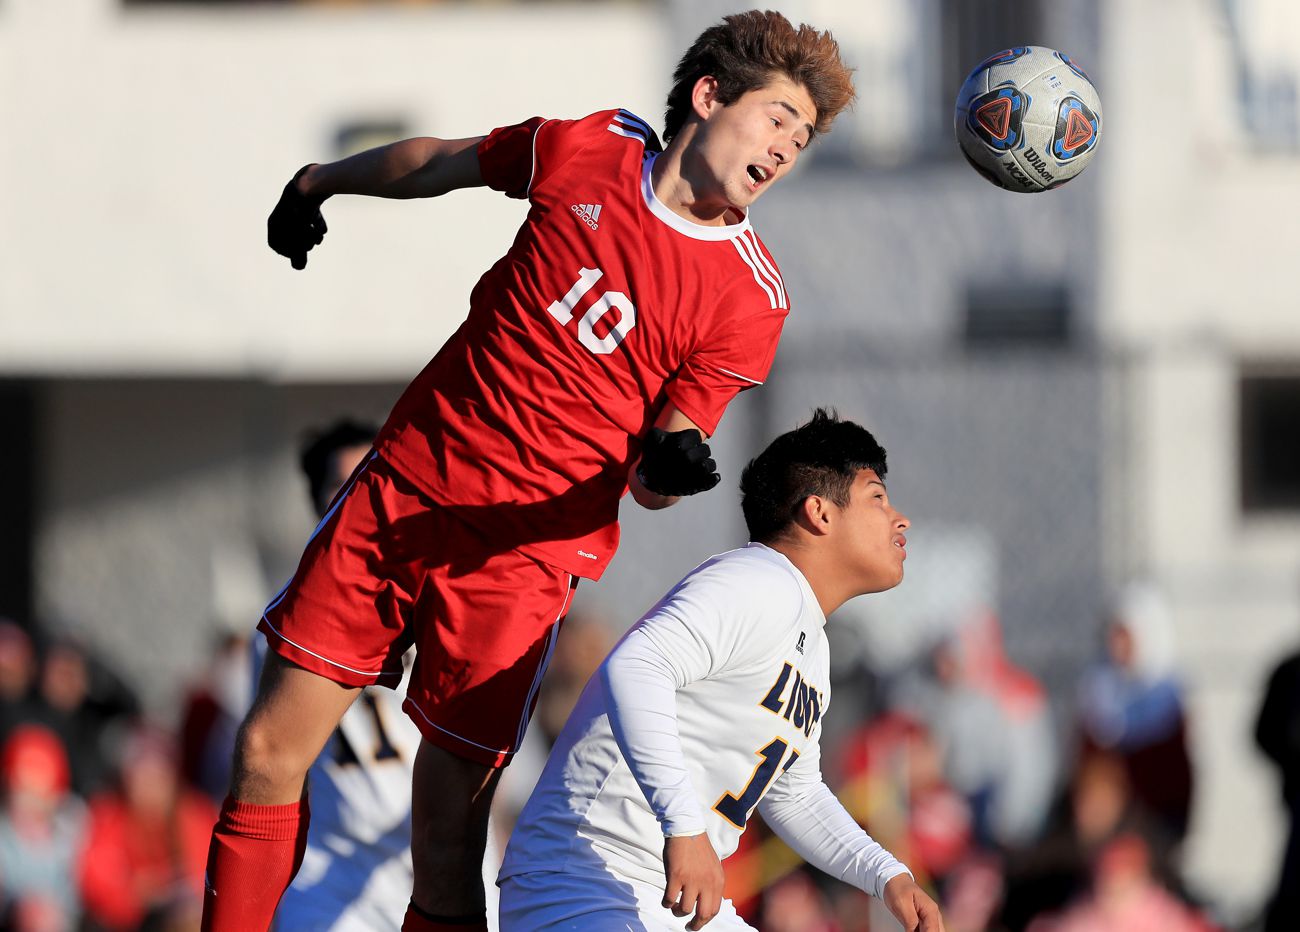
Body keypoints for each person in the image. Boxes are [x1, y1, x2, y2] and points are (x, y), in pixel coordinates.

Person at [202, 13, 856, 930]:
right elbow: (439, 160)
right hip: (406, 490)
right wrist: (321, 182)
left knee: (446, 841)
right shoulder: (592, 148)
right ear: (709, 97)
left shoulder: (751, 295)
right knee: (268, 751)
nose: (789, 146)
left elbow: (660, 468)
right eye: (781, 116)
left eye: (805, 136)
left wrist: (670, 463)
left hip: (521, 560)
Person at [498, 410, 945, 932]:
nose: (899, 518)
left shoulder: (811, 642)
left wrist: (884, 874)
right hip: (586, 881)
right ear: (819, 512)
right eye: (876, 497)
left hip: (651, 891)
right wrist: (685, 827)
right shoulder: (758, 579)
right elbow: (637, 666)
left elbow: (793, 791)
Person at [266, 419, 424, 931]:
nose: (364, 493)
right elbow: (268, 763)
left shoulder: (441, 595)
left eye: (373, 475)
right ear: (319, 501)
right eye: (345, 482)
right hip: (334, 873)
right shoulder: (288, 620)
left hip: (440, 860)